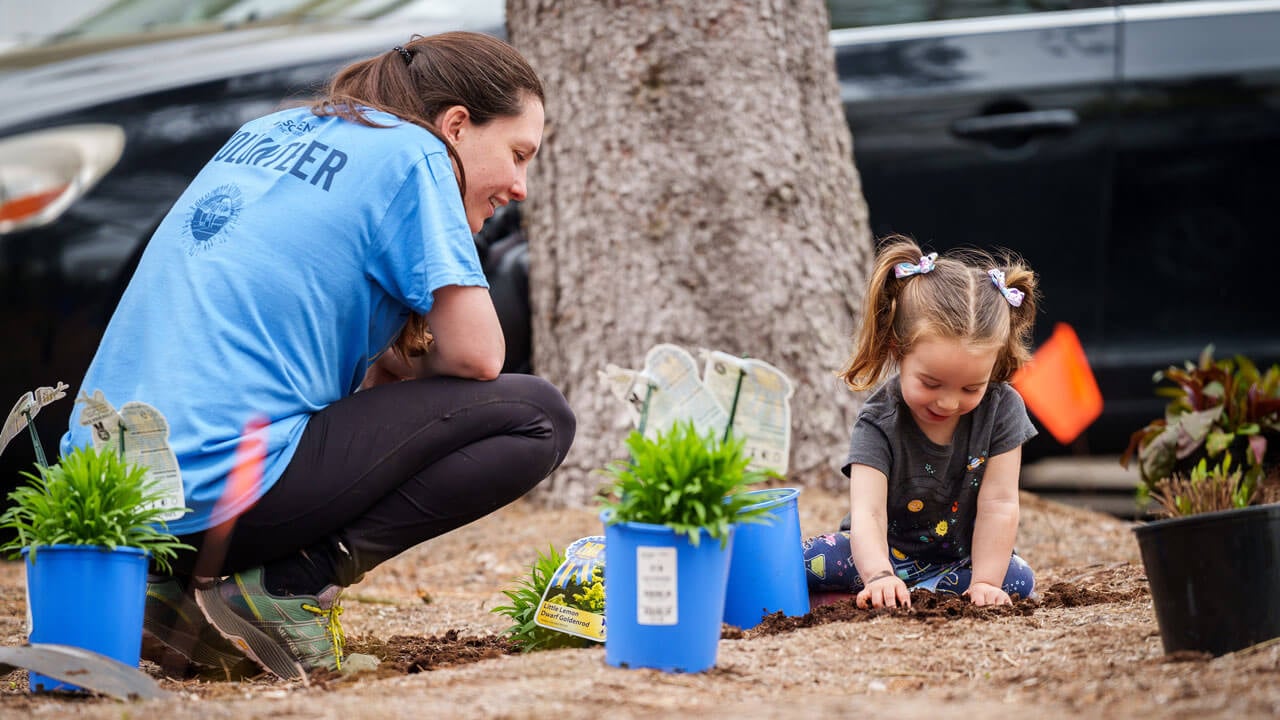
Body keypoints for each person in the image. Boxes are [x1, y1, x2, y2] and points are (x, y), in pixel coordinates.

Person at [59, 32, 576, 680]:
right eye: (518, 154)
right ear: (457, 126)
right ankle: (285, 585)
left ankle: (164, 598)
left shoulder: (271, 129)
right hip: (214, 493)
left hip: (106, 506)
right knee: (536, 416)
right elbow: (478, 357)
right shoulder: (416, 153)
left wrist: (391, 358)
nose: (522, 186)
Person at [802, 235, 1038, 610]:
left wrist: (987, 583)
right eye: (930, 383)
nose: (947, 402)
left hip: (959, 563)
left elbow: (999, 504)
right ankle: (881, 593)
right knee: (806, 561)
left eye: (970, 387)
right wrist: (879, 575)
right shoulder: (878, 420)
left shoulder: (1003, 410)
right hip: (877, 555)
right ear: (898, 351)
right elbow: (869, 512)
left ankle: (885, 599)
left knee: (1018, 577)